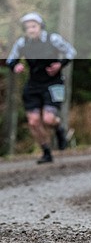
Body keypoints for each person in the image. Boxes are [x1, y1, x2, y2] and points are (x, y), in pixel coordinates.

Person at [5, 12, 76, 164]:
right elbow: (11, 59)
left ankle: (59, 129)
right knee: (33, 122)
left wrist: (60, 64)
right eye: (27, 27)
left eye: (33, 26)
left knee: (49, 119)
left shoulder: (53, 39)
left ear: (40, 27)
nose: (31, 30)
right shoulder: (22, 43)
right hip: (33, 84)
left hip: (53, 83)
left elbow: (71, 52)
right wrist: (15, 65)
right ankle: (46, 151)